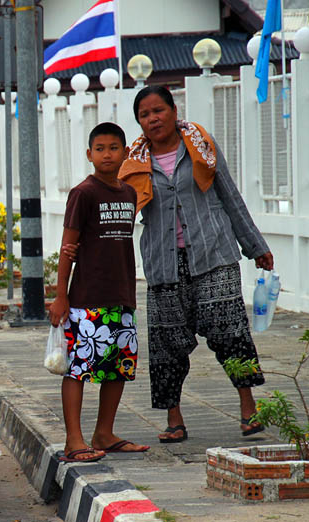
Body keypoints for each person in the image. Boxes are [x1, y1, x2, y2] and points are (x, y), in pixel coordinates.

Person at [117, 85, 273, 443]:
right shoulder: (133, 163)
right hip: (163, 263)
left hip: (214, 255)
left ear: (174, 111)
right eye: (144, 114)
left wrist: (255, 246)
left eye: (159, 110)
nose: (153, 118)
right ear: (139, 121)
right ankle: (175, 420)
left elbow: (230, 195)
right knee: (167, 343)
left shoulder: (201, 146)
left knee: (230, 333)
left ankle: (249, 410)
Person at [48, 122, 149, 462]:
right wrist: (61, 295)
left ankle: (104, 432)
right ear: (89, 154)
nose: (108, 154)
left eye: (114, 148)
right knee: (78, 369)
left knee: (118, 368)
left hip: (120, 296)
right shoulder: (83, 193)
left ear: (126, 152)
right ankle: (73, 440)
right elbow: (68, 247)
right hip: (86, 300)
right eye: (100, 148)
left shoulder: (129, 193)